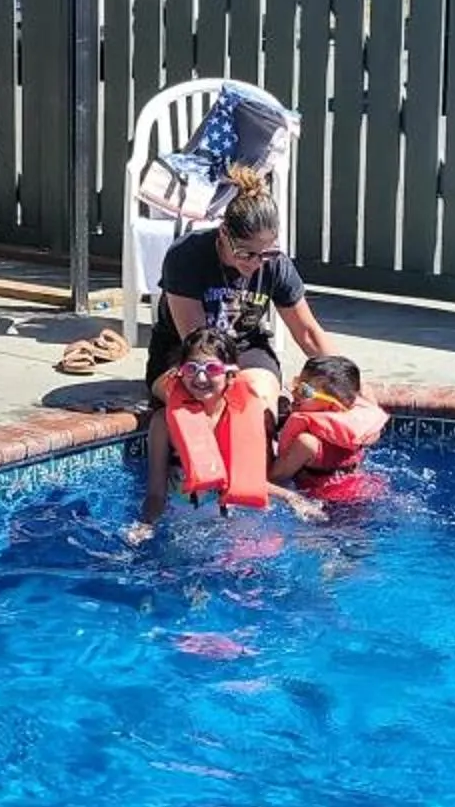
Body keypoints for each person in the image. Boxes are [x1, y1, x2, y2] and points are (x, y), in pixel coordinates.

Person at [129, 166, 338, 536]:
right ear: (223, 233)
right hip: (185, 354)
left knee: (256, 400)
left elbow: (307, 332)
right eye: (246, 253)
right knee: (207, 388)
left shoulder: (275, 264)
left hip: (247, 347)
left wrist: (346, 385)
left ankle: (258, 483)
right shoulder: (187, 257)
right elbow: (198, 343)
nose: (255, 263)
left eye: (265, 253)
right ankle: (203, 473)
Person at [270, 355, 389, 493]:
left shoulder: (307, 443)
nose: (294, 392)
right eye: (297, 383)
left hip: (328, 505)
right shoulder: (359, 430)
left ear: (333, 405)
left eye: (305, 391)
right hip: (364, 490)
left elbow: (274, 477)